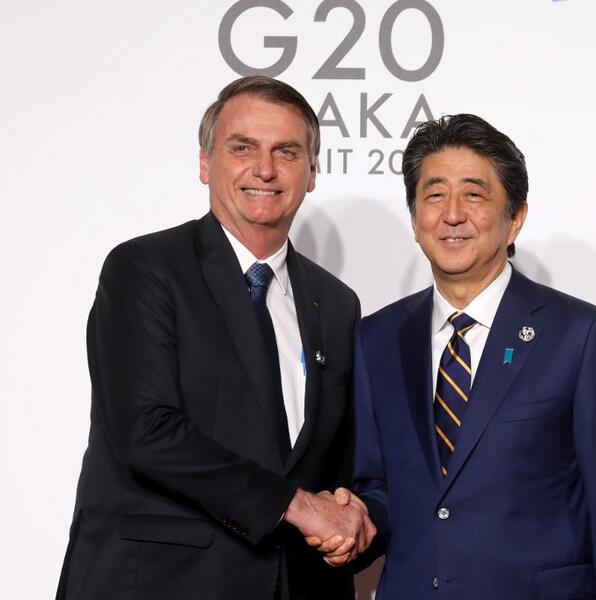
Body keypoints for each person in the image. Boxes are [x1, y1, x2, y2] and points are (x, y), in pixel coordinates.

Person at [56, 76, 375, 600]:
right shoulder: (144, 269)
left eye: (287, 152)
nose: (265, 169)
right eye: (242, 147)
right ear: (205, 163)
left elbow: (336, 457)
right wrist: (294, 504)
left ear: (312, 173)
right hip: (159, 584)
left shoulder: (337, 303)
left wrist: (352, 511)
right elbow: (147, 431)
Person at [340, 114, 596, 598]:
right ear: (415, 219)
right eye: (435, 195)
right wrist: (355, 516)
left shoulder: (580, 336)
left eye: (475, 194)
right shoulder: (377, 338)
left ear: (516, 218)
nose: (452, 214)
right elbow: (377, 485)